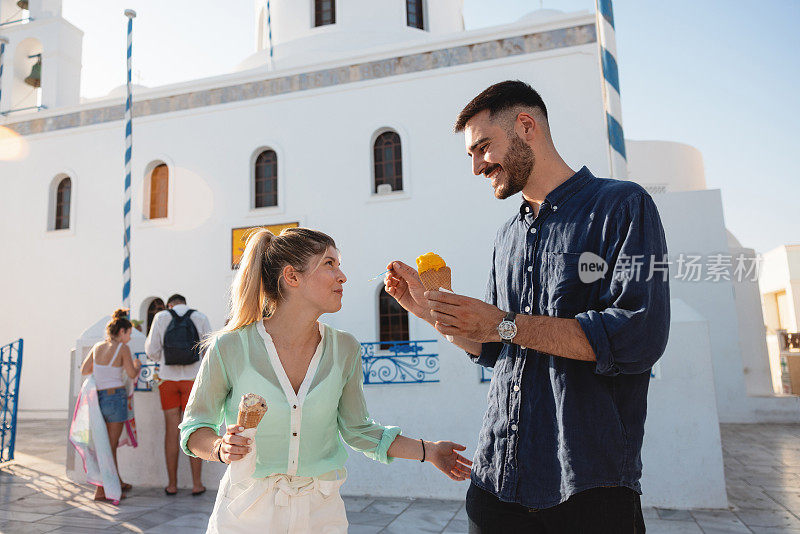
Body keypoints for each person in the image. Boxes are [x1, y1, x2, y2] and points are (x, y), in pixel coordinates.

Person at [385, 80, 670, 533]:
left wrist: (505, 324)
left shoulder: (623, 205)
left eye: (483, 148)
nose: (478, 165)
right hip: (495, 484)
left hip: (588, 490)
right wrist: (428, 312)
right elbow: (495, 348)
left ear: (526, 126)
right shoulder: (507, 238)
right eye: (471, 155)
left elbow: (639, 335)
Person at [179, 227, 473, 533]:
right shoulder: (229, 347)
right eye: (329, 264)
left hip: (321, 514)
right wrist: (220, 447)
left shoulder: (344, 348)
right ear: (292, 277)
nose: (342, 276)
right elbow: (195, 427)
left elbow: (358, 430)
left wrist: (429, 451)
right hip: (244, 514)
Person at [145, 293, 212, 496]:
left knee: (171, 431)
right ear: (185, 303)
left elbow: (151, 351)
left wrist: (166, 358)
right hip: (193, 380)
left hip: (167, 380)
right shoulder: (199, 317)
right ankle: (197, 484)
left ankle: (172, 484)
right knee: (195, 428)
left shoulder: (161, 317)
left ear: (170, 305)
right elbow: (209, 347)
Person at [79, 308, 142, 501]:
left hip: (99, 399)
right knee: (110, 446)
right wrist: (137, 365)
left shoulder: (97, 347)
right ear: (121, 332)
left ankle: (114, 483)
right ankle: (104, 488)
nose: (130, 338)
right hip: (116, 399)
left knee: (104, 445)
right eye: (129, 333)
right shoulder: (123, 349)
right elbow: (131, 374)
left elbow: (84, 370)